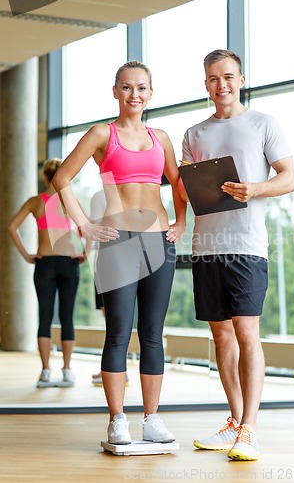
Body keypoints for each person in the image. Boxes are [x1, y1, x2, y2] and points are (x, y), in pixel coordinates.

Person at [52, 60, 186, 444]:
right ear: (115, 92)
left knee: (152, 334)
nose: (134, 95)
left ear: (150, 93)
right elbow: (63, 178)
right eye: (126, 87)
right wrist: (84, 225)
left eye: (141, 88)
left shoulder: (161, 137)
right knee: (118, 332)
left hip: (159, 240)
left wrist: (180, 222)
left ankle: (152, 418)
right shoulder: (101, 134)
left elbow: (178, 183)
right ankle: (117, 419)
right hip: (118, 241)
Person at [178, 49, 294, 461]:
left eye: (228, 76)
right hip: (206, 245)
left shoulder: (264, 124)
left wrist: (255, 188)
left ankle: (251, 428)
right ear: (206, 84)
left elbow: (289, 178)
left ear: (241, 79)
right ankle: (234, 422)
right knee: (221, 334)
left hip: (247, 245)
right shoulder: (193, 133)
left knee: (246, 331)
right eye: (213, 78)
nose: (221, 85)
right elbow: (190, 189)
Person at [8, 158, 86, 386]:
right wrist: (84, 252)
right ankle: (67, 370)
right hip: (69, 263)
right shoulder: (68, 200)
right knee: (66, 318)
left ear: (44, 176)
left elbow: (11, 226)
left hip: (44, 263)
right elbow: (88, 227)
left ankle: (45, 371)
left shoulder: (36, 202)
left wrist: (25, 255)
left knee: (45, 317)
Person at [88, 190, 129, 388]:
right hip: (132, 260)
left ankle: (120, 370)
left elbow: (93, 231)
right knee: (124, 323)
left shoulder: (98, 197)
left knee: (113, 326)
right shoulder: (133, 191)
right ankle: (123, 369)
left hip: (107, 260)